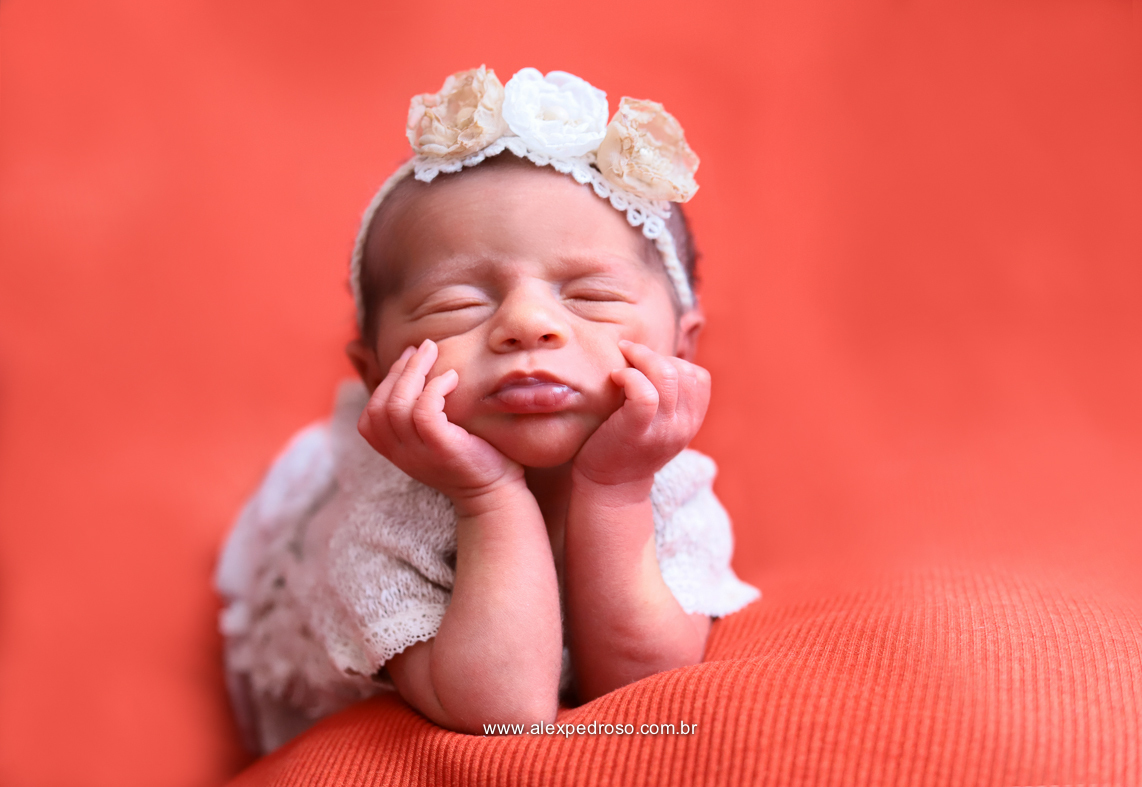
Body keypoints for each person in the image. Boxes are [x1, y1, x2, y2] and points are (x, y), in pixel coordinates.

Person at [215, 65, 760, 753]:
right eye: (456, 305)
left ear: (682, 349)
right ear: (377, 370)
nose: (527, 324)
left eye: (590, 295)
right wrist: (485, 496)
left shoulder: (670, 485)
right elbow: (505, 712)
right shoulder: (381, 516)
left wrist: (615, 490)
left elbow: (643, 684)